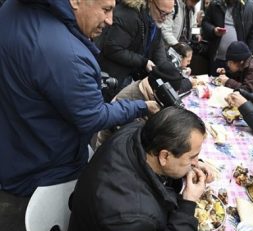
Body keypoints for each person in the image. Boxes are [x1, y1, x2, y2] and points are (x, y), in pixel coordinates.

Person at [0, 0, 159, 196]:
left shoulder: (13, 9)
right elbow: (93, 117)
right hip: (45, 170)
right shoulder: (69, 56)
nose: (110, 20)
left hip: (15, 147)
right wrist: (141, 106)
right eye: (106, 9)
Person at [66, 107, 213, 231]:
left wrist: (187, 166)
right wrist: (188, 203)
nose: (196, 163)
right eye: (192, 157)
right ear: (164, 156)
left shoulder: (138, 132)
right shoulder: (128, 216)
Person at [96, 0, 173, 92]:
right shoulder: (129, 15)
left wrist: (164, 68)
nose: (164, 18)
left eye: (168, 14)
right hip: (113, 78)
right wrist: (143, 62)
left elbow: (157, 46)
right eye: (162, 13)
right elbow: (113, 49)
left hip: (129, 75)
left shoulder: (153, 17)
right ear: (151, 2)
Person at [201, 0, 253, 75]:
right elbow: (205, 23)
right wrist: (213, 30)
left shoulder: (252, 7)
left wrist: (247, 57)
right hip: (217, 58)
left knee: (234, 85)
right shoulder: (215, 4)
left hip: (238, 63)